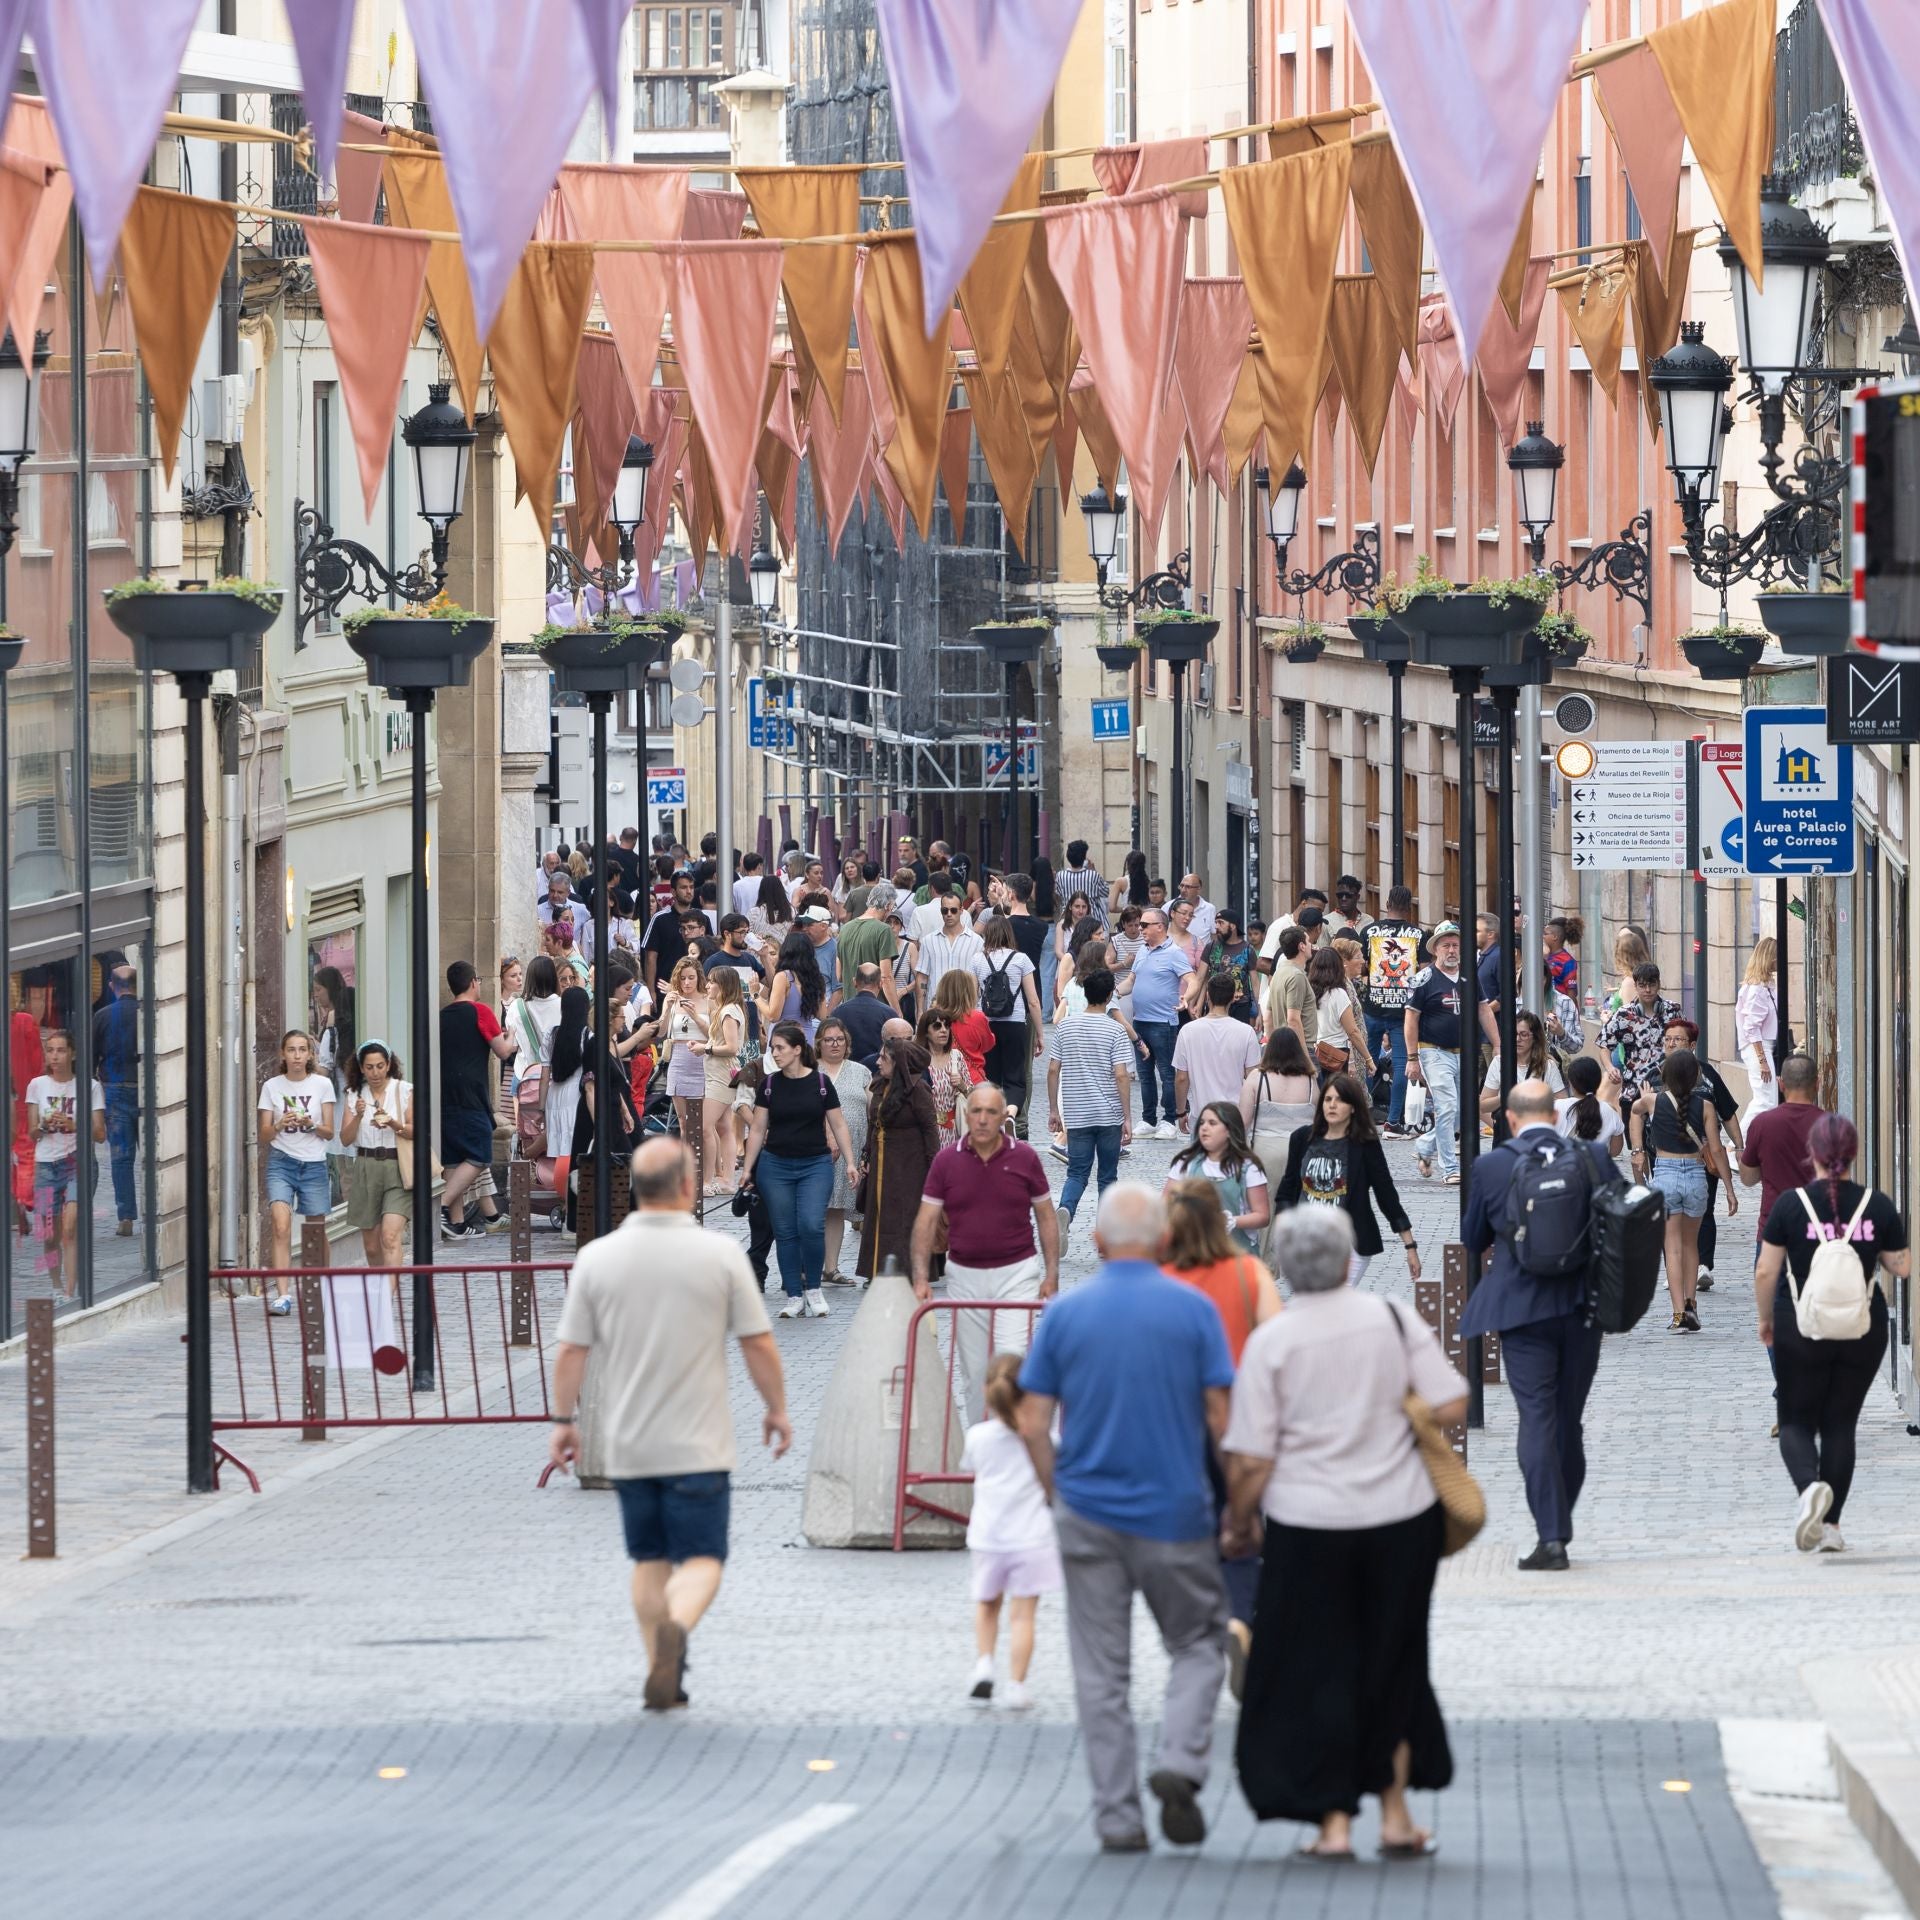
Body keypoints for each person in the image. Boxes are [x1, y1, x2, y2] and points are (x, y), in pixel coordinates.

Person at [1223, 1205, 1465, 1862]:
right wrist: (1391, 1410)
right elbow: (1451, 1401)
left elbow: (1251, 1456)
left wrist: (1240, 1521)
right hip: (1400, 1517)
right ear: (1348, 1258)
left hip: (1307, 1524)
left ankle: (1332, 1824)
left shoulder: (1273, 1341)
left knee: (1319, 1668)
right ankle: (1394, 1816)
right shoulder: (1390, 1317)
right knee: (1395, 1661)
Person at [1016, 1183, 1233, 1853]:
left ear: (1097, 1242)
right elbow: (1223, 1420)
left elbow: (1030, 1421)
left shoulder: (1064, 1314)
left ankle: (1117, 1817)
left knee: (1101, 1672)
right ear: (1164, 1240)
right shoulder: (1194, 1311)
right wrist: (1234, 1504)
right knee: (1198, 1642)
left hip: (1089, 1511)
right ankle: (1180, 1759)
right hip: (1175, 1510)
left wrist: (1058, 1492)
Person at [548, 1138, 790, 1711]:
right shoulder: (721, 1255)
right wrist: (776, 1407)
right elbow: (756, 1343)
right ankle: (677, 1627)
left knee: (649, 1560)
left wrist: (564, 1421)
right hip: (699, 1442)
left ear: (635, 1187)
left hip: (629, 1444)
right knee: (703, 1559)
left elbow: (570, 1352)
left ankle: (663, 1662)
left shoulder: (597, 1257)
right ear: (687, 1186)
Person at [1462, 1078, 1621, 1569]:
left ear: (1509, 1120)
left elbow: (1472, 1239)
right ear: (1555, 1116)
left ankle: (1551, 1535)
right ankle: (1560, 1522)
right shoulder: (1592, 1159)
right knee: (1568, 1420)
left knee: (1536, 1418)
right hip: (1581, 1309)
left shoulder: (1492, 1166)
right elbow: (1621, 1221)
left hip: (1521, 1311)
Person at [1756, 1112, 1908, 1554]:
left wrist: (1765, 1320)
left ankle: (1810, 1491)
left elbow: (1767, 1270)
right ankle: (1832, 1527)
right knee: (1841, 1424)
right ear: (1853, 1153)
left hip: (1800, 1322)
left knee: (1796, 1421)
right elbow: (1902, 1267)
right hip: (1863, 1325)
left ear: (1813, 1155)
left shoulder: (1790, 1204)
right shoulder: (1877, 1205)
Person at [1161, 1178, 1282, 1678]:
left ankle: (1201, 1627)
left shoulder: (1162, 1279)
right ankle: (1239, 1617)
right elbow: (1277, 1346)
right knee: (1243, 1527)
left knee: (1192, 1531)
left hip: (1176, 1426)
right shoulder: (1248, 1272)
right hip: (1238, 1420)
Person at [912, 1082, 1059, 1422]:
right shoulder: (946, 1161)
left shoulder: (1024, 1157)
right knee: (975, 1371)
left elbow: (1047, 1216)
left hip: (1017, 1273)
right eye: (976, 1111)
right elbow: (926, 1221)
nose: (981, 1119)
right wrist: (920, 1278)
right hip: (964, 1275)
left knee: (1012, 1364)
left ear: (1003, 1115)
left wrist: (1052, 1275)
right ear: (966, 1115)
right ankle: (982, 1448)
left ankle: (1016, 1444)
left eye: (990, 1112)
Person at [961, 1352, 1062, 1711]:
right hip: (1032, 1537)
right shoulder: (1046, 1439)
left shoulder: (978, 1437)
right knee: (1023, 1615)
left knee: (987, 1606)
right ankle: (1017, 1685)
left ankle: (984, 1666)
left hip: (989, 1535)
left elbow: (971, 1468)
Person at [741, 1021, 856, 1319]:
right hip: (775, 1165)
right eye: (773, 1049)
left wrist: (851, 1161)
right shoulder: (769, 1084)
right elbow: (756, 1130)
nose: (775, 1054)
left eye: (780, 1048)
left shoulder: (819, 1083)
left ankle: (814, 1288)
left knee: (810, 1224)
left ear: (796, 1050)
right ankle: (794, 1294)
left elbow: (838, 1123)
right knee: (785, 1230)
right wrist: (747, 1168)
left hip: (815, 1164)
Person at [1629, 1047, 1736, 1334]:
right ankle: (1691, 1304)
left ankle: (1678, 1314)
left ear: (1664, 1075)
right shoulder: (1706, 1106)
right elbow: (1715, 1149)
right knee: (1691, 1246)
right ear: (1697, 1077)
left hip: (1665, 1175)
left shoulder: (1652, 1100)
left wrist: (1637, 1149)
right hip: (1696, 1177)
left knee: (1671, 1248)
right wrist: (1728, 1188)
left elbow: (1634, 1113)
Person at [1276, 1072, 1418, 1285]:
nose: (1332, 1105)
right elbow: (1287, 1191)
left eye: (1340, 1100)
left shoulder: (1364, 1144)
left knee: (1331, 1304)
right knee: (1314, 1307)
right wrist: (1285, 1235)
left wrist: (1409, 1246)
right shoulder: (1302, 1139)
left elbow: (1386, 1194)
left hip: (1349, 1243)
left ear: (1353, 1107)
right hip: (1307, 1241)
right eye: (1328, 1099)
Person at [1046, 966, 1135, 1239]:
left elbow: (1052, 1069)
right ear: (1110, 996)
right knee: (1107, 1176)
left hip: (1077, 1112)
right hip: (1108, 1114)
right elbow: (1121, 1075)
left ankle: (1065, 1210)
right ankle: (1106, 1232)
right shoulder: (1115, 1030)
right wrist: (1127, 1116)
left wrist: (1053, 1109)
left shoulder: (1065, 1027)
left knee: (1077, 1172)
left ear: (1084, 994)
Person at [1660, 1015, 1742, 1291]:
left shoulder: (1708, 1075)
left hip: (1703, 1156)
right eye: (1668, 1039)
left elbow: (1728, 1113)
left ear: (1692, 1045)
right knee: (1671, 1217)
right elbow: (1637, 1112)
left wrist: (1739, 1147)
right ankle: (1675, 1269)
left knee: (1703, 1211)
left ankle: (1703, 1265)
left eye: (1678, 1039)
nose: (1672, 1044)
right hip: (1664, 1159)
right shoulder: (1654, 1075)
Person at [257, 1029, 333, 1312]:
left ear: (310, 1054)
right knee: (280, 1223)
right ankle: (283, 1294)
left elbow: (328, 1132)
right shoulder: (272, 1086)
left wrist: (310, 1123)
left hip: (313, 1162)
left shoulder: (322, 1085)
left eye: (302, 1050)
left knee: (315, 1229)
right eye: (292, 1050)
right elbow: (263, 1135)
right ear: (283, 1054)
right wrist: (278, 1124)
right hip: (281, 1161)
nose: (297, 1055)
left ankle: (323, 1283)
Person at [440, 961, 517, 1239]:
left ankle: (456, 1223)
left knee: (453, 1159)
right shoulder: (481, 1011)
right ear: (473, 982)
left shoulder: (442, 1016)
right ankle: (442, 1205)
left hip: (444, 1096)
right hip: (471, 1095)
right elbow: (503, 1051)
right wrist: (513, 1035)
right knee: (479, 1153)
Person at [854, 1033, 940, 1277]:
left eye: (884, 1058)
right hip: (882, 1161)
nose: (878, 1062)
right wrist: (867, 1155)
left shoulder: (918, 1090)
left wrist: (935, 1168)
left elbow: (930, 1129)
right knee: (878, 1214)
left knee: (904, 1216)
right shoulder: (880, 1085)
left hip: (909, 1165)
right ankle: (877, 1269)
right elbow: (874, 1123)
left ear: (898, 1062)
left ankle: (907, 1270)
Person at [27, 1028, 102, 1300]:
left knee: (69, 1228)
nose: (54, 1056)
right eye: (50, 1050)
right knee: (49, 1234)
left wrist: (73, 1124)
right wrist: (43, 1126)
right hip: (46, 1165)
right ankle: (57, 1285)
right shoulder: (36, 1085)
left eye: (60, 1050)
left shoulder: (90, 1087)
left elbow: (100, 1134)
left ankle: (71, 1293)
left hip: (76, 1164)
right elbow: (31, 1133)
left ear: (72, 1054)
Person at [340, 1040, 412, 1270]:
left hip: (396, 1166)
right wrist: (359, 1116)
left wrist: (391, 1122)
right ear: (361, 1068)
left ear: (389, 1064)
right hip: (365, 1165)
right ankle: (381, 1289)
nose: (375, 1072)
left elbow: (415, 1131)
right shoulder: (354, 1095)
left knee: (390, 1237)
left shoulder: (403, 1090)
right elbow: (345, 1139)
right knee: (371, 1245)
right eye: (369, 1067)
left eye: (380, 1066)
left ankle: (387, 1298)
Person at [1356, 889, 1423, 1135]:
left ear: (1386, 905)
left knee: (1366, 1061)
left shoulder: (1369, 932)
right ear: (1410, 906)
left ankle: (1364, 1114)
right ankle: (1393, 1121)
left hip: (1373, 1007)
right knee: (1402, 1064)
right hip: (1403, 1012)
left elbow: (1361, 966)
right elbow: (1424, 973)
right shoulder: (1417, 935)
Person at [1403, 921, 1465, 1184]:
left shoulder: (1467, 976)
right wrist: (1412, 1058)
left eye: (1455, 945)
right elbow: (1410, 1019)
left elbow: (1483, 1008)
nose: (1451, 950)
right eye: (1446, 946)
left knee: (1459, 1112)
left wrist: (1496, 1044)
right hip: (1433, 1051)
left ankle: (1426, 1145)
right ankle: (1450, 1168)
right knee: (1447, 1106)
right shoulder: (1424, 979)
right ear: (1436, 950)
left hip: (1463, 1052)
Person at [1166, 1102, 1271, 1255]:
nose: (1204, 1127)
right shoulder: (1185, 1163)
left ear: (1229, 1130)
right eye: (1202, 1123)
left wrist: (1232, 1221)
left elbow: (1262, 1216)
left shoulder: (1248, 1167)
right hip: (1194, 1252)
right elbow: (1167, 1204)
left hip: (1238, 1252)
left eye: (1212, 1123)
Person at [1130, 908, 1198, 1139]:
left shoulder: (1174, 953)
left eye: (1144, 925)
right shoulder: (1142, 950)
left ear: (1160, 926)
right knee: (1145, 1074)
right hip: (1140, 1021)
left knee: (1168, 1072)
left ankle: (1170, 1119)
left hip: (1163, 1022)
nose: (1141, 929)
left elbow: (1192, 979)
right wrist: (1110, 994)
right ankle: (1148, 1119)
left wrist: (1186, 999)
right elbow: (1132, 980)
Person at [814, 1016, 870, 1280]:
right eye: (829, 1039)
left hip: (853, 1147)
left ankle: (831, 1267)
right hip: (817, 1147)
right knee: (816, 1207)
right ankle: (808, 1265)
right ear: (819, 1043)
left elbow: (872, 1107)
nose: (835, 1044)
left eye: (839, 1039)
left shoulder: (861, 1071)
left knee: (836, 1207)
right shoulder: (810, 1070)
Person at [1740, 1053, 1822, 1231]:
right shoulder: (1830, 1124)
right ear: (1818, 1083)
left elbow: (1747, 1178)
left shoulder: (1762, 1123)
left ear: (1781, 1084)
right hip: (1817, 1224)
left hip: (1774, 1223)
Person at [1173, 974, 1262, 1132]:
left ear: (1207, 996)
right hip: (1234, 1117)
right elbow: (1253, 1078)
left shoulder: (1187, 1031)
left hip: (1201, 1118)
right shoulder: (1246, 1032)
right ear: (1233, 998)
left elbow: (1181, 1078)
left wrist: (1181, 1112)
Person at [978, 914, 1042, 1131]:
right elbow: (1032, 1001)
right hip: (1014, 1024)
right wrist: (1040, 1034)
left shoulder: (977, 960)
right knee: (1016, 1077)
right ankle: (1011, 1114)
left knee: (991, 1076)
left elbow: (972, 997)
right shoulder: (1021, 959)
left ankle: (994, 1122)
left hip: (986, 1025)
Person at [91, 962, 140, 1235]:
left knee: (121, 1158)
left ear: (112, 987)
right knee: (154, 1156)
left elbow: (91, 1057)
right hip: (145, 1090)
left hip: (114, 1091)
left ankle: (126, 1218)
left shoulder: (103, 1016)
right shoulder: (148, 1013)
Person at [1600, 960, 1682, 1110]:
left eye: (1651, 984)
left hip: (1667, 1089)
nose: (1648, 990)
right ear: (1636, 986)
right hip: (1632, 1089)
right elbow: (1604, 1044)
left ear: (1659, 984)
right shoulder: (1623, 1015)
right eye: (1643, 985)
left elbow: (1685, 1041)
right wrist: (1610, 1067)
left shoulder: (1673, 1010)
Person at [1240, 1027, 1318, 1180]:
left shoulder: (1257, 1078)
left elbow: (1243, 1122)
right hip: (1303, 1153)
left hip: (1264, 1153)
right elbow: (1317, 1119)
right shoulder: (1310, 1080)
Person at [701, 967, 747, 1198]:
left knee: (705, 1126)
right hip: (719, 1074)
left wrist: (705, 1048)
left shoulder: (729, 1012)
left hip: (721, 1076)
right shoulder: (725, 1009)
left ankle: (708, 1179)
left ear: (724, 985)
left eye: (711, 982)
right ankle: (727, 1179)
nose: (707, 986)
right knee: (723, 1127)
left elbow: (731, 1047)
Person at [1477, 1009, 1564, 1121]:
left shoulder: (1548, 1065)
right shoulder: (1499, 1062)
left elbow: (1562, 1103)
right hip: (1508, 1129)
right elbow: (1483, 1106)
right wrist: (1505, 1097)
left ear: (1535, 1037)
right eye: (1514, 1034)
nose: (1518, 1039)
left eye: (1524, 1035)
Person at [1308, 944, 1373, 1084]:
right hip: (1336, 1054)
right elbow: (1353, 1031)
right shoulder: (1338, 994)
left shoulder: (1310, 991)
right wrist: (1368, 1059)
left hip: (1314, 1050)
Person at [834, 880, 903, 1010]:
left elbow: (839, 975)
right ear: (888, 905)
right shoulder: (883, 930)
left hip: (850, 1006)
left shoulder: (845, 929)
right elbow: (886, 977)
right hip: (876, 1007)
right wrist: (897, 1011)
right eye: (892, 907)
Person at [915, 1007, 978, 1142]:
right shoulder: (918, 1059)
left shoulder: (956, 1057)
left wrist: (961, 1084)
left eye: (947, 1026)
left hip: (953, 1129)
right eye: (937, 1026)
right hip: (926, 1130)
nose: (944, 1030)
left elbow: (973, 1097)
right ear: (926, 1032)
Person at [1736, 936, 1782, 1120]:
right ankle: (1737, 1145)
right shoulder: (1757, 990)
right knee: (1765, 1101)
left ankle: (1742, 1143)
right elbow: (1751, 1027)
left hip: (1763, 1046)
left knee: (1767, 1100)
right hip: (1759, 1047)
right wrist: (1762, 1060)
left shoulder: (1764, 986)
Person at [759, 928, 827, 1044]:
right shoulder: (816, 978)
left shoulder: (783, 977)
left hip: (783, 1040)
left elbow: (773, 1016)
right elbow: (822, 1015)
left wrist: (755, 995)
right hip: (807, 1040)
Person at [917, 892, 986, 1003]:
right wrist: (920, 1010)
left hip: (965, 1007)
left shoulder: (977, 942)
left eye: (953, 910)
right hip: (936, 1007)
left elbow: (982, 977)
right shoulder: (928, 941)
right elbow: (922, 977)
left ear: (961, 910)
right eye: (945, 911)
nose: (949, 914)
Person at [929, 970, 994, 1086]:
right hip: (972, 1079)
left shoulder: (932, 1017)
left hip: (941, 1079)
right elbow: (988, 1044)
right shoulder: (977, 1017)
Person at [1555, 1054, 1626, 1154]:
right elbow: (1615, 1151)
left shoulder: (1556, 1107)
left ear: (1571, 1082)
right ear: (1598, 1081)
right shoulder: (1610, 1111)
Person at [1261, 925, 1317, 1042]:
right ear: (1302, 946)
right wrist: (1304, 1056)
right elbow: (1293, 1020)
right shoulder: (1296, 976)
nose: (1311, 945)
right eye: (1308, 941)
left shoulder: (1278, 973)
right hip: (1300, 1048)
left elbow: (1267, 1018)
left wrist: (1274, 1048)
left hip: (1281, 1047)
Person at [1199, 913, 1256, 1022]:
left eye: (1220, 922)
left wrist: (1259, 1012)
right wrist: (1197, 1005)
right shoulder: (1210, 947)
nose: (1216, 926)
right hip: (1214, 1005)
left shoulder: (1248, 950)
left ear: (1233, 926)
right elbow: (1200, 978)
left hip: (1240, 1006)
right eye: (1215, 923)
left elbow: (1255, 983)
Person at [836, 963, 894, 1068]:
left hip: (846, 1072)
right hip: (878, 1074)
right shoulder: (889, 1014)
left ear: (854, 982)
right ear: (880, 983)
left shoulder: (838, 1012)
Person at [1055, 838, 1107, 928]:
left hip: (1069, 921)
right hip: (1093, 921)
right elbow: (1105, 891)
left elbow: (1058, 894)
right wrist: (1093, 870)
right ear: (1083, 858)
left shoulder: (1060, 876)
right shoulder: (1093, 875)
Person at [1544, 913, 1583, 1001]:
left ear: (1554, 937)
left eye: (1545, 934)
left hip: (1560, 1010)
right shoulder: (1543, 955)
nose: (1542, 936)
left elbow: (1571, 993)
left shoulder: (1568, 962)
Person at [1175, 874, 1216, 947]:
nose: (1183, 890)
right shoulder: (1168, 907)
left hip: (1201, 956)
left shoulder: (1209, 909)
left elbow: (1214, 935)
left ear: (1198, 889)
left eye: (1188, 887)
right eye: (1181, 886)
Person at [731, 850, 766, 918]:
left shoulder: (736, 886)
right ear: (759, 866)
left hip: (742, 924)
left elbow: (734, 907)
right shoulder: (766, 882)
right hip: (763, 923)